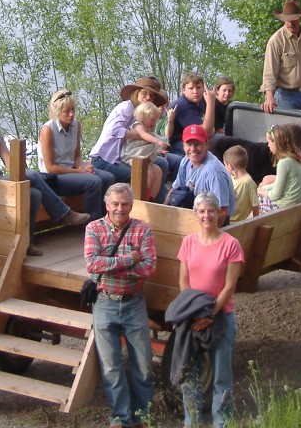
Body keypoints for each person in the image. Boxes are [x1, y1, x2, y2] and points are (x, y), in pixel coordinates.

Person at [0, 94, 85, 257]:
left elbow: (8, 160)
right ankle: (63, 214)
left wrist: (17, 171)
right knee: (32, 175)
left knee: (35, 194)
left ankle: (28, 243)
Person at [85, 183, 157, 428]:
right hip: (104, 303)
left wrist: (112, 264)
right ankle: (120, 418)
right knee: (111, 368)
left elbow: (149, 268)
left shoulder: (142, 229)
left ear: (131, 205)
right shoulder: (93, 228)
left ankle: (142, 417)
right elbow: (92, 265)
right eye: (115, 204)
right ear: (107, 205)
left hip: (134, 302)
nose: (120, 208)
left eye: (125, 204)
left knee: (144, 365)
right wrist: (130, 259)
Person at [174, 192, 245, 428]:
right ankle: (191, 422)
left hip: (220, 316)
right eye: (202, 211)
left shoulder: (230, 244)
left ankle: (221, 422)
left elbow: (230, 286)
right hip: (192, 317)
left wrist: (210, 315)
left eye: (211, 211)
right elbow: (184, 281)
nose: (207, 215)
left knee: (221, 375)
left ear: (220, 214)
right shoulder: (188, 242)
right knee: (190, 375)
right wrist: (194, 312)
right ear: (195, 214)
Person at [90, 76, 170, 194]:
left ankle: (156, 203)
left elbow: (145, 140)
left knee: (161, 164)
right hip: (105, 158)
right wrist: (142, 135)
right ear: (136, 93)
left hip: (126, 154)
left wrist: (157, 146)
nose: (148, 97)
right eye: (144, 93)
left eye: (151, 96)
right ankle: (137, 207)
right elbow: (116, 131)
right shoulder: (126, 107)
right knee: (140, 173)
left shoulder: (144, 113)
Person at [37, 89, 108, 219]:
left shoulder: (76, 125)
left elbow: (76, 158)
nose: (71, 114)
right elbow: (51, 168)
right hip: (54, 178)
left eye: (73, 110)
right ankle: (92, 225)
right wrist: (80, 172)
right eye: (66, 111)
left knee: (108, 177)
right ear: (57, 112)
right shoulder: (48, 130)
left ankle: (106, 220)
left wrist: (83, 166)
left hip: (72, 171)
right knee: (94, 182)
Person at [261, 0, 301, 113]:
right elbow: (269, 73)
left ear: (300, 19)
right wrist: (269, 97)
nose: (290, 23)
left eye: (293, 20)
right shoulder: (276, 41)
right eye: (287, 20)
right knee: (288, 130)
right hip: (285, 97)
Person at [167, 125, 235, 225]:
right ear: (183, 146)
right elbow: (175, 189)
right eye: (189, 144)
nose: (193, 149)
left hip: (215, 220)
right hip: (193, 212)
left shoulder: (214, 172)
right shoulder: (186, 160)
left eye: (197, 144)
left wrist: (208, 236)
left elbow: (223, 210)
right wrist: (163, 211)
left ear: (207, 144)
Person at [166, 71, 217, 164]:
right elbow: (207, 132)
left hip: (197, 138)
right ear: (183, 90)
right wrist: (210, 103)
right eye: (191, 88)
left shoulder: (201, 100)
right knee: (211, 149)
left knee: (225, 141)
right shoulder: (182, 106)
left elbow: (211, 129)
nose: (195, 91)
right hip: (179, 142)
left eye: (198, 88)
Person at [258, 124, 301, 213]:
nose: (268, 145)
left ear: (276, 142)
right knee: (262, 187)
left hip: (284, 207)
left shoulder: (284, 162)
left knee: (254, 199)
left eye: (269, 142)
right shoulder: (296, 156)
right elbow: (280, 185)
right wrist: (265, 188)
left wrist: (258, 191)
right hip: (297, 204)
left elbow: (275, 195)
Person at [223, 145, 259, 222]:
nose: (224, 167)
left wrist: (256, 223)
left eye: (225, 165)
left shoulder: (248, 182)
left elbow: (255, 205)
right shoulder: (231, 177)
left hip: (236, 222)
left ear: (230, 166)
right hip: (226, 219)